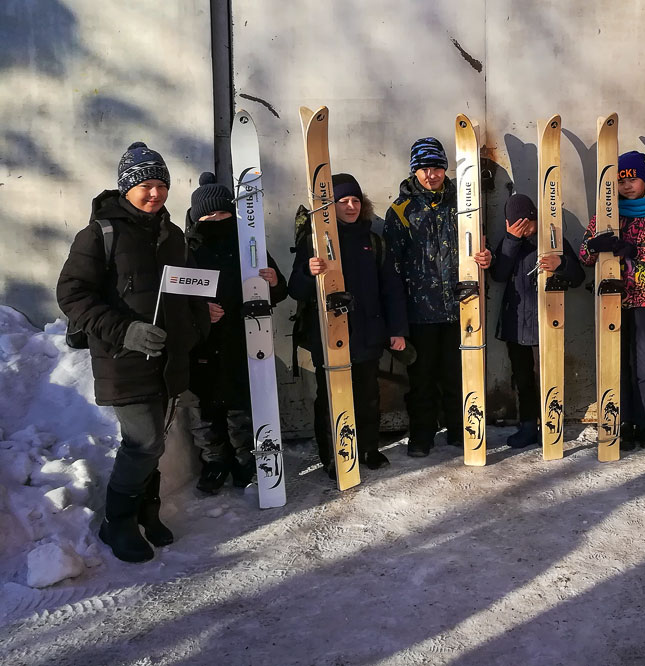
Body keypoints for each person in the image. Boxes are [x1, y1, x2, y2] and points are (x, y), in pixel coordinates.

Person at [57, 142, 211, 562]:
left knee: (155, 441)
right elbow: (72, 294)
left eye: (161, 184)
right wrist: (126, 331)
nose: (155, 193)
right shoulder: (100, 234)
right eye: (146, 185)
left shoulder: (172, 235)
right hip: (122, 359)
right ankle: (117, 522)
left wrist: (197, 327)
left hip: (168, 358)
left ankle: (147, 510)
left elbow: (187, 288)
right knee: (143, 442)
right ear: (126, 187)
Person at [289, 173, 409, 476]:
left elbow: (391, 290)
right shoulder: (313, 243)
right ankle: (332, 455)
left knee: (368, 395)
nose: (351, 206)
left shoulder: (374, 242)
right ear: (331, 206)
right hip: (328, 336)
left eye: (356, 200)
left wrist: (397, 331)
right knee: (330, 398)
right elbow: (295, 290)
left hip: (367, 333)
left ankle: (368, 449)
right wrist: (308, 272)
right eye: (343, 201)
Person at [383, 138, 491, 457]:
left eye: (436, 168)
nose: (431, 175)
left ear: (445, 168)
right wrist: (397, 321)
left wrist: (486, 257)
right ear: (414, 171)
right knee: (422, 378)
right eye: (424, 169)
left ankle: (459, 429)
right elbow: (391, 268)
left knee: (457, 374)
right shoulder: (401, 210)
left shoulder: (464, 203)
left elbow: (479, 246)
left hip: (461, 307)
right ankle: (422, 435)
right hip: (420, 312)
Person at [184, 172, 288, 493]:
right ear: (197, 217)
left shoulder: (250, 245)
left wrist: (273, 282)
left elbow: (278, 290)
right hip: (201, 344)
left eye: (222, 213)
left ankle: (246, 462)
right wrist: (199, 312)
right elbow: (174, 297)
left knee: (240, 407)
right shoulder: (185, 249)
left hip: (242, 339)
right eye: (209, 215)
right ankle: (214, 463)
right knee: (204, 411)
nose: (216, 220)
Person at [579, 150, 645, 449]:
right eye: (620, 182)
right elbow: (584, 255)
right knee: (617, 363)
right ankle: (623, 421)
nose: (627, 186)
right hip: (612, 299)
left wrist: (635, 251)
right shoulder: (606, 213)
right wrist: (595, 245)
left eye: (632, 179)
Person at [490, 193, 585, 448]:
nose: (523, 230)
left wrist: (561, 263)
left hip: (546, 323)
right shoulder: (508, 243)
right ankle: (528, 425)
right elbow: (498, 274)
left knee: (548, 375)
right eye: (516, 225)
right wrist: (511, 240)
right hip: (515, 324)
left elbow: (578, 277)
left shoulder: (553, 241)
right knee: (523, 379)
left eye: (526, 224)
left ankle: (552, 423)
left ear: (535, 218)